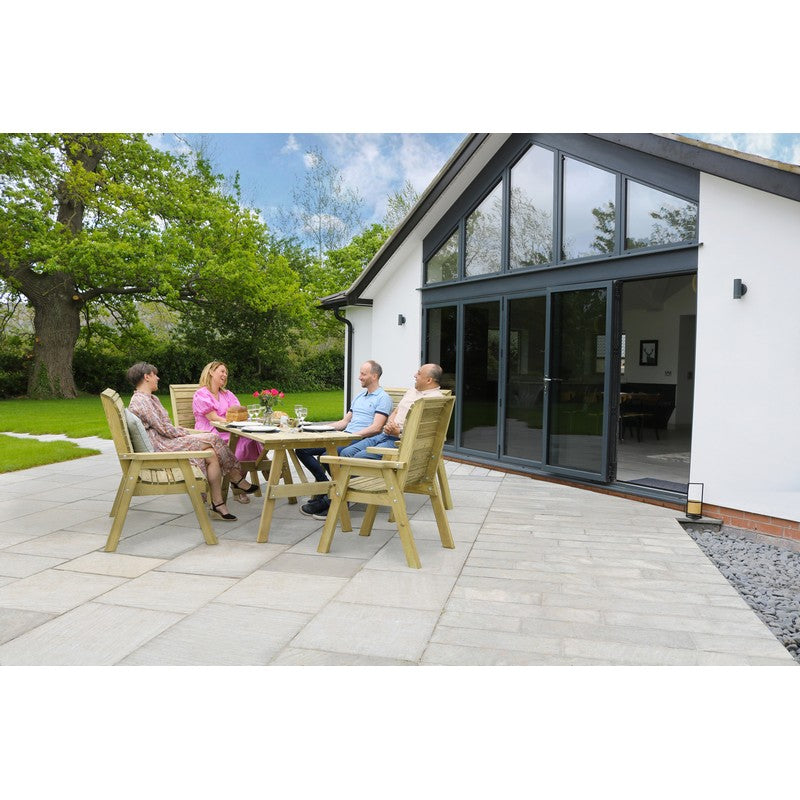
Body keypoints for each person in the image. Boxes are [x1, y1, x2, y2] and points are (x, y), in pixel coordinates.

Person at [126, 361, 259, 522]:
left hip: (165, 439)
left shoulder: (150, 398)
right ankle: (236, 478)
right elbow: (164, 429)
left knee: (211, 454)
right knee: (213, 438)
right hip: (161, 445)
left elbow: (164, 426)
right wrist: (185, 432)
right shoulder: (141, 401)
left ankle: (218, 504)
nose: (158, 378)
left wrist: (182, 432)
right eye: (155, 375)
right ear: (147, 377)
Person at [297, 359, 392, 519]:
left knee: (328, 456)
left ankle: (337, 499)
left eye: (363, 374)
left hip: (360, 439)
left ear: (374, 376)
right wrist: (319, 428)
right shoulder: (360, 396)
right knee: (302, 449)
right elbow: (344, 422)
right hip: (345, 435)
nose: (359, 377)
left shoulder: (383, 398)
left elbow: (376, 428)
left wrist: (352, 436)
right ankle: (325, 487)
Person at [335, 363, 444, 460]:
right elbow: (396, 412)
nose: (415, 375)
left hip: (401, 442)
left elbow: (425, 431)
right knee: (346, 452)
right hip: (386, 434)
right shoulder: (412, 391)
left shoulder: (434, 400)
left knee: (359, 457)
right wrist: (390, 424)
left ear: (429, 380)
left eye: (419, 374)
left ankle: (359, 477)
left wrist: (399, 432)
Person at [192, 360, 264, 504]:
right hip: (210, 430)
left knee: (249, 440)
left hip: (228, 429)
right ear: (211, 372)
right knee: (239, 442)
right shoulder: (201, 394)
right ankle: (239, 483)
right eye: (222, 371)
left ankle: (240, 479)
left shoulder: (227, 394)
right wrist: (231, 422)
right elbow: (213, 418)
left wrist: (241, 421)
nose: (225, 375)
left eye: (226, 373)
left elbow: (238, 412)